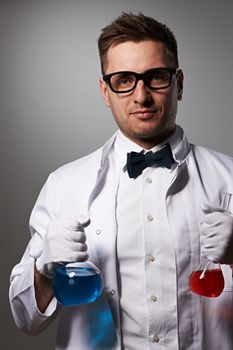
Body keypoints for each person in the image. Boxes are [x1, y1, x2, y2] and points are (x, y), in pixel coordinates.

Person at [9, 12, 233, 350]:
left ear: (180, 84)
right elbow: (25, 320)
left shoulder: (230, 179)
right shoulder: (64, 185)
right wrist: (43, 270)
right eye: (123, 79)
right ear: (105, 90)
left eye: (156, 77)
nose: (140, 96)